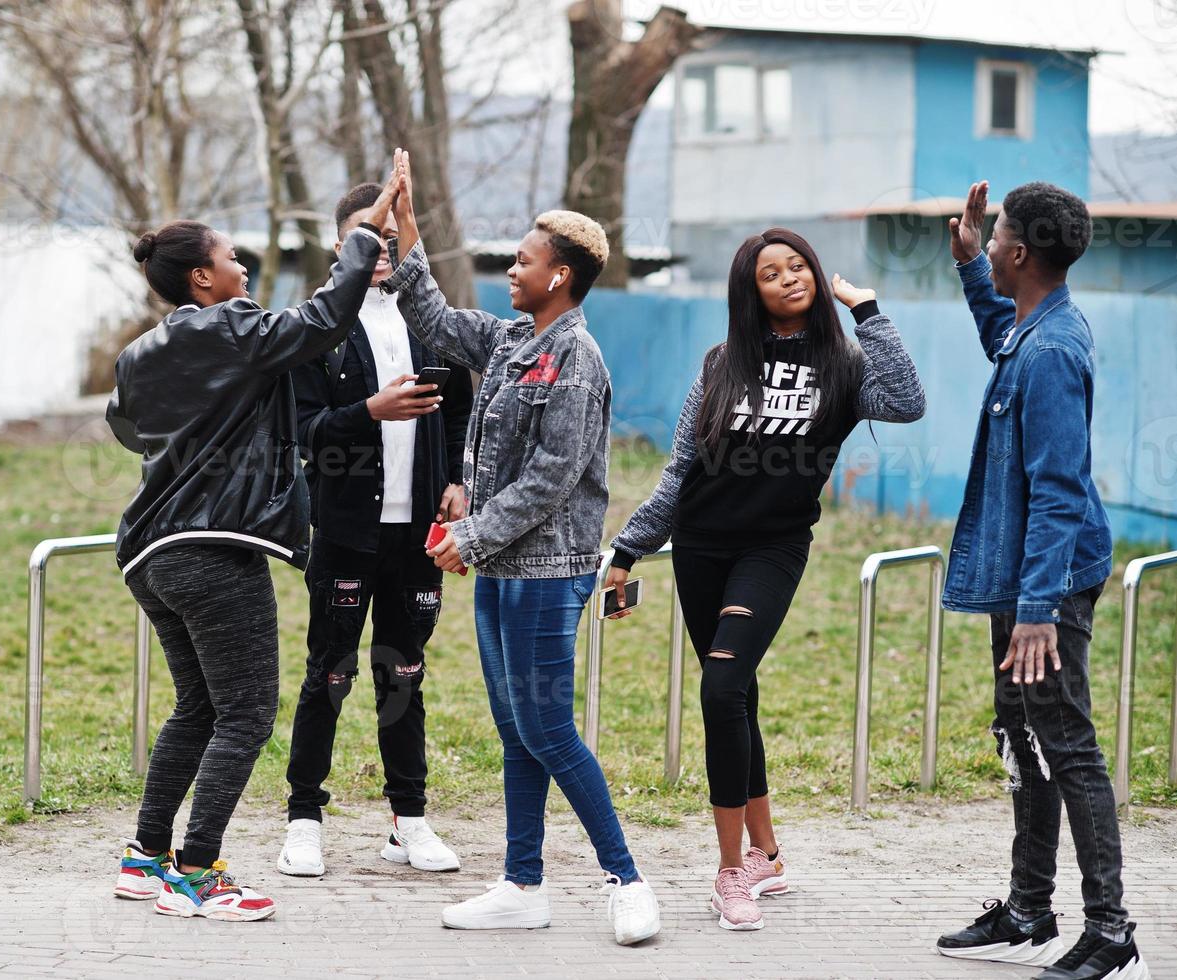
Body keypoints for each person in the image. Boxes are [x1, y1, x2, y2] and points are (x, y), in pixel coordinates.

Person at [103, 155, 405, 923]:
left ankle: (144, 858)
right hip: (211, 551)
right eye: (230, 256)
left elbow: (128, 429)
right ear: (202, 279)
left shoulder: (141, 351)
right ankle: (196, 872)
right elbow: (321, 320)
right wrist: (366, 235)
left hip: (148, 553)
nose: (242, 263)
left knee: (196, 709)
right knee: (245, 714)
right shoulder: (231, 327)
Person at [604, 228, 926, 931]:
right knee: (737, 699)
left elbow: (906, 401)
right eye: (769, 272)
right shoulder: (722, 363)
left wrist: (868, 310)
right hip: (699, 545)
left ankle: (728, 874)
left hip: (772, 549)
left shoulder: (842, 365)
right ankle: (767, 855)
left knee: (719, 687)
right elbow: (680, 470)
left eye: (796, 265)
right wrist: (627, 549)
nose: (787, 278)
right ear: (749, 292)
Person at [380, 156, 659, 946]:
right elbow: (432, 319)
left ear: (560, 275)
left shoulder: (576, 358)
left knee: (547, 729)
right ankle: (521, 885)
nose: (511, 269)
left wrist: (468, 534)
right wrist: (405, 221)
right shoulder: (510, 340)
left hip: (550, 571)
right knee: (515, 730)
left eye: (524, 261)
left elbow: (551, 476)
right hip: (501, 569)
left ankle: (626, 880)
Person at [934, 181, 1148, 980]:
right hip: (1022, 574)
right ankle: (1029, 909)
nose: (984, 244)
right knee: (1024, 741)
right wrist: (965, 270)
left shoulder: (1054, 351)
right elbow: (1002, 336)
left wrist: (1037, 611)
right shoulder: (1033, 328)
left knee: (1066, 747)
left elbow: (1058, 489)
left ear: (1019, 254)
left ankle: (1111, 929)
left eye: (991, 239)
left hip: (1046, 583)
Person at [276, 181, 473, 877]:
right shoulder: (314, 329)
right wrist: (369, 410)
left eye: (392, 235)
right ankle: (304, 820)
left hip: (415, 537)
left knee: (402, 676)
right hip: (343, 532)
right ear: (341, 245)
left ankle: (408, 820)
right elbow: (302, 434)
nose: (382, 247)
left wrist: (456, 480)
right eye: (368, 233)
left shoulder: (428, 321)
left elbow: (456, 412)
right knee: (327, 675)